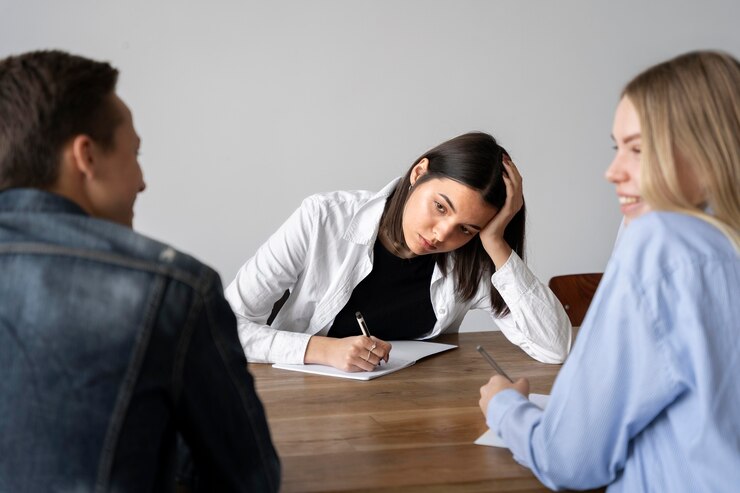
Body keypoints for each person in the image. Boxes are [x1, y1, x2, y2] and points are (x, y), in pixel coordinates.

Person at [0, 50, 280, 492]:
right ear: (86, 157)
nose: (142, 180)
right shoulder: (172, 289)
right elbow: (249, 480)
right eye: (135, 152)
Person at [478, 50, 740, 492]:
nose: (612, 172)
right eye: (617, 148)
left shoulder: (664, 240)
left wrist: (505, 409)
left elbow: (569, 461)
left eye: (638, 149)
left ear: (707, 148)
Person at [226, 132, 572, 372]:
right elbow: (224, 328)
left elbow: (554, 347)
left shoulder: (474, 258)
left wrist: (496, 242)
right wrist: (322, 350)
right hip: (304, 402)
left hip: (411, 412)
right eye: (440, 207)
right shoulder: (323, 219)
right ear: (419, 173)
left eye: (467, 228)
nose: (441, 235)